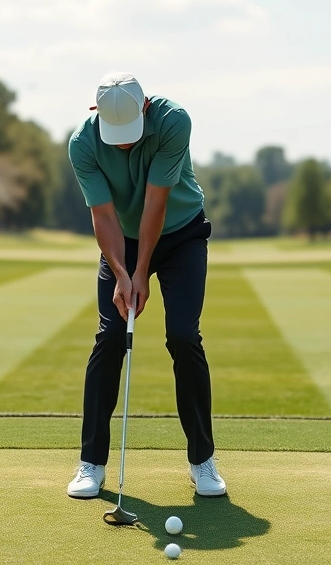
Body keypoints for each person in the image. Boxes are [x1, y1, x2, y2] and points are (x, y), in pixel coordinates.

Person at [65, 71, 226, 499]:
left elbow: (156, 203)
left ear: (146, 109)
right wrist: (122, 272)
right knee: (111, 335)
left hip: (180, 236)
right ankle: (91, 463)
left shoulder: (174, 122)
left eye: (129, 133)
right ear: (95, 114)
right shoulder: (82, 143)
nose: (122, 144)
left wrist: (142, 272)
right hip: (122, 240)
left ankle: (202, 460)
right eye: (114, 134)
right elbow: (102, 215)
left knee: (183, 336)